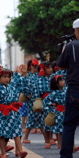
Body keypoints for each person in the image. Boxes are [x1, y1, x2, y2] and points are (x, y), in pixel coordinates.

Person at [57, 18, 79, 158]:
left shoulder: (71, 46)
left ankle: (66, 156)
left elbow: (61, 64)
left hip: (75, 89)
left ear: (77, 30)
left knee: (69, 125)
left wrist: (64, 50)